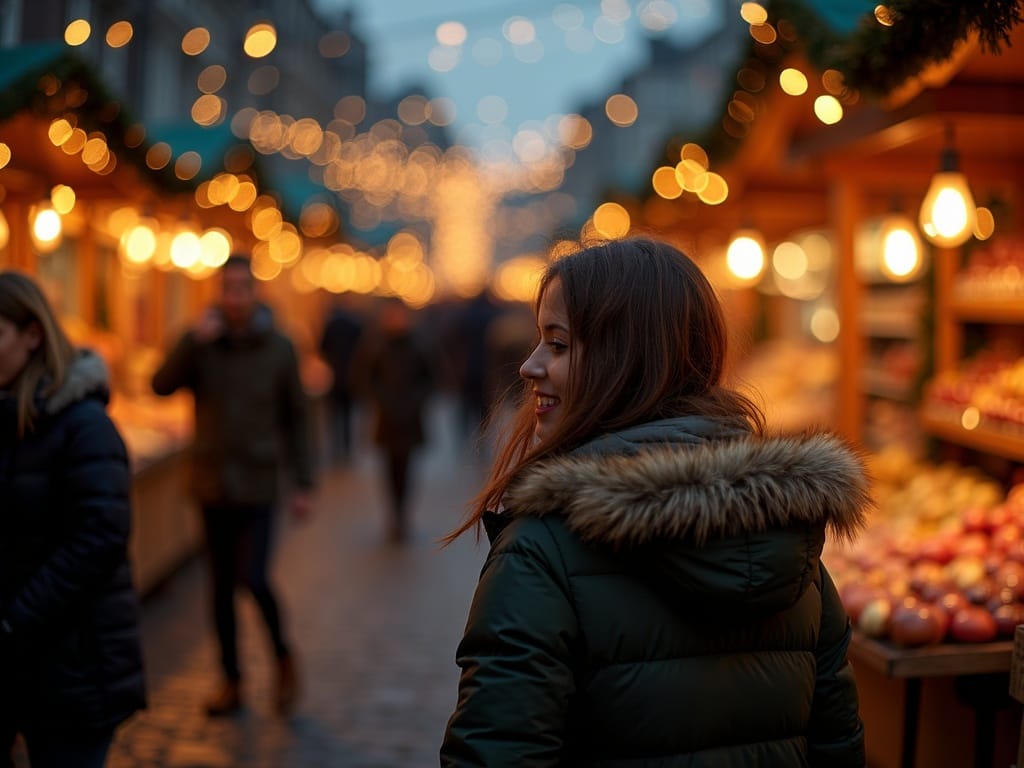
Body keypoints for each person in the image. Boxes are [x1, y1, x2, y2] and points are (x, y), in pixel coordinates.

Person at [440, 238, 870, 767]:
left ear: (625, 361)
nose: (529, 366)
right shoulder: (789, 538)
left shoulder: (543, 550)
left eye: (558, 344)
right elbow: (838, 747)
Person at [151, 255, 314, 717]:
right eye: (228, 289)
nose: (235, 297)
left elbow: (297, 418)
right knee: (220, 587)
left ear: (255, 292)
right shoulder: (203, 344)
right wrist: (191, 341)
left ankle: (282, 657)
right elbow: (161, 384)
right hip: (211, 482)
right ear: (218, 294)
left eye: (243, 288)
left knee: (254, 577)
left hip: (260, 483)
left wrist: (304, 483)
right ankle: (231, 680)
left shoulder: (280, 347)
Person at [0, 271, 145, 767]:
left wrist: (13, 617)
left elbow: (98, 539)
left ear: (32, 335)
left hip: (75, 663)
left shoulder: (84, 426)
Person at [351, 298, 434, 542]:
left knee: (406, 469)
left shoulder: (420, 345)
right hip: (386, 420)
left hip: (410, 420)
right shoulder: (376, 345)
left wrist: (414, 401)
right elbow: (364, 377)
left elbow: (430, 378)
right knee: (389, 469)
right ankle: (393, 514)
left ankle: (402, 515)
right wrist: (382, 400)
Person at [319, 297, 364, 465]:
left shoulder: (331, 324)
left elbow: (322, 347)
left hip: (335, 376)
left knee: (334, 415)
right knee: (347, 415)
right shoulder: (355, 324)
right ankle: (346, 448)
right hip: (350, 376)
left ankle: (336, 448)